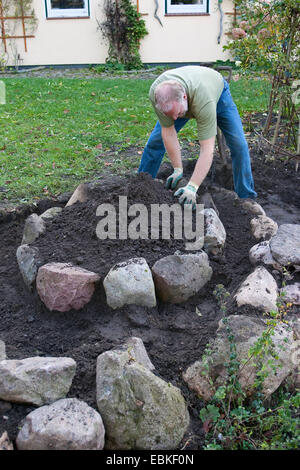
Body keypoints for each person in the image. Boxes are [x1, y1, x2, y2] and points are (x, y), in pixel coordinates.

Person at [138, 65, 257, 209]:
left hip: (218, 96)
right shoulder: (157, 93)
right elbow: (168, 132)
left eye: (178, 114)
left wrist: (192, 187)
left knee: (239, 145)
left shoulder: (204, 101)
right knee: (155, 143)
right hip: (185, 98)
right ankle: (141, 188)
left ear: (185, 97)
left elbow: (207, 149)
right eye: (170, 114)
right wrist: (177, 169)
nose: (175, 118)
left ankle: (246, 197)